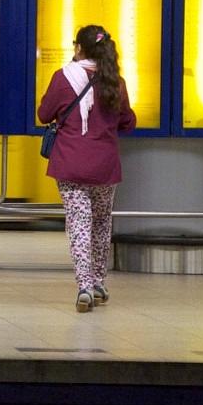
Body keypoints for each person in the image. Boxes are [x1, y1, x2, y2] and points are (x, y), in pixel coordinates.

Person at [38, 25, 136, 313]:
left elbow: (44, 114)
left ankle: (84, 287)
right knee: (102, 223)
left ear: (79, 48)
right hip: (105, 166)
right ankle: (99, 282)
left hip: (71, 165)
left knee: (79, 224)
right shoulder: (115, 81)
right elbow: (128, 122)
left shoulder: (63, 78)